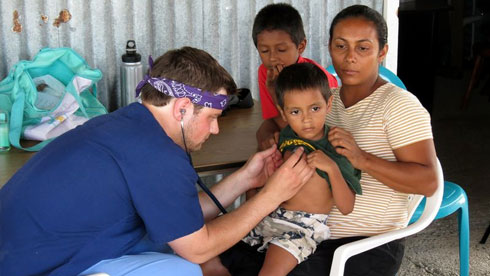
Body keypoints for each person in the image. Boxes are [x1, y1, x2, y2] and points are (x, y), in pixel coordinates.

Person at [0, 47, 315, 276]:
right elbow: (198, 246)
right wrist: (272, 194)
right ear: (181, 109)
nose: (216, 129)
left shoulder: (131, 125)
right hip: (35, 267)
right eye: (212, 118)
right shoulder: (155, 154)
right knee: (184, 270)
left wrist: (247, 178)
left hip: (28, 254)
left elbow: (182, 218)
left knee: (175, 246)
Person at [208, 5, 439, 276]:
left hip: (363, 245)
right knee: (209, 248)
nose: (350, 57)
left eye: (363, 48)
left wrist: (362, 158)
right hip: (294, 230)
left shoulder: (398, 105)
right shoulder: (326, 99)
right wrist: (266, 133)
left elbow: (428, 182)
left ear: (382, 52)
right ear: (329, 47)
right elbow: (280, 121)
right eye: (341, 46)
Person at [239, 63, 362, 276]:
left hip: (301, 228)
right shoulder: (287, 135)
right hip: (268, 215)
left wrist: (331, 168)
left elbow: (347, 207)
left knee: (271, 272)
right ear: (284, 113)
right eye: (295, 111)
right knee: (213, 252)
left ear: (329, 104)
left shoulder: (336, 147)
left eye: (315, 108)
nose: (306, 119)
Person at [252, 3, 339, 151]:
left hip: (321, 136)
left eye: (281, 49)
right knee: (263, 133)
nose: (273, 58)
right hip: (292, 123)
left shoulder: (318, 79)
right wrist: (273, 90)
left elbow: (314, 127)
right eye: (265, 51)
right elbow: (277, 117)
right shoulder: (266, 72)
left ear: (301, 46)